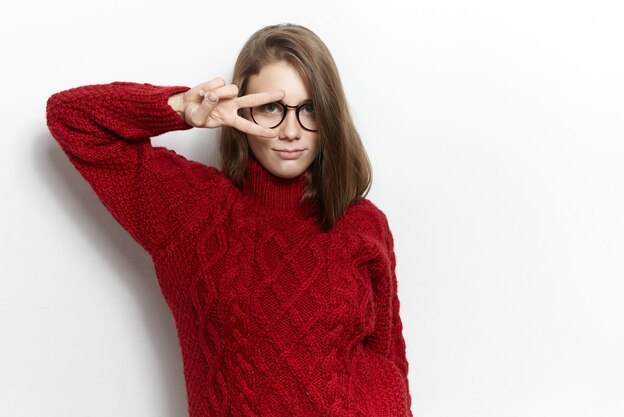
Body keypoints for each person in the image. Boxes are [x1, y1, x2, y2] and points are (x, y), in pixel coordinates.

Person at [47, 23, 412, 417]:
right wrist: (181, 108)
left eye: (310, 109)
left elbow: (387, 357)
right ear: (241, 108)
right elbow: (70, 118)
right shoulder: (191, 209)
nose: (291, 131)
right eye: (271, 107)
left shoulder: (363, 223)